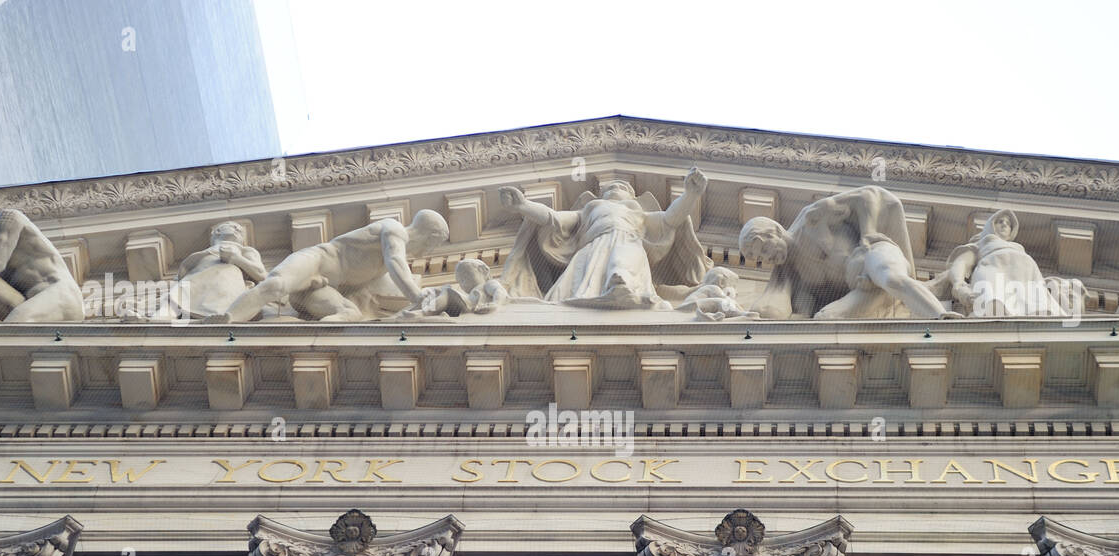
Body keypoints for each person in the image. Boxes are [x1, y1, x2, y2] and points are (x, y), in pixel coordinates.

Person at [740, 186, 959, 321]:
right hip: (865, 291)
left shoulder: (812, 220)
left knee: (891, 278)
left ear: (776, 231)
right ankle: (939, 287)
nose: (767, 259)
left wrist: (868, 232)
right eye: (761, 259)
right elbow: (798, 313)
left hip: (871, 255)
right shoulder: (794, 275)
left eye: (766, 249)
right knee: (825, 319)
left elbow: (867, 196)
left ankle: (942, 316)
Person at [498, 168, 710, 309]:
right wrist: (523, 206)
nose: (617, 188)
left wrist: (690, 194)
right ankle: (584, 298)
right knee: (578, 280)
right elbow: (552, 218)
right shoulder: (590, 210)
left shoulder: (638, 213)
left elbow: (670, 219)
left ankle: (621, 286)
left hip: (628, 241)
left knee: (623, 260)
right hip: (593, 248)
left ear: (633, 198)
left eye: (624, 187)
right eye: (610, 188)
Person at [221, 209, 449, 323]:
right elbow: (396, 263)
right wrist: (417, 295)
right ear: (431, 235)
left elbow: (382, 297)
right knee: (276, 286)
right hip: (315, 262)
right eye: (434, 244)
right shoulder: (395, 230)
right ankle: (227, 320)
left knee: (350, 313)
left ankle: (315, 344)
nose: (428, 251)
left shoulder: (383, 268)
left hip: (318, 290)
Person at [940, 209, 1087, 317]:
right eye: (999, 221)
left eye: (1008, 223)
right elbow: (960, 264)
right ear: (990, 226)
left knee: (1035, 308)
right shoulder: (981, 244)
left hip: (1027, 277)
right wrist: (959, 286)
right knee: (993, 306)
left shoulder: (1018, 249)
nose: (1004, 225)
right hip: (993, 271)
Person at [160, 220, 267, 323]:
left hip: (225, 278)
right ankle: (159, 320)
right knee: (174, 296)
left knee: (220, 300)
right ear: (217, 231)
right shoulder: (203, 253)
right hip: (195, 278)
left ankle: (218, 318)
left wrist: (236, 258)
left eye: (240, 230)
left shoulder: (245, 251)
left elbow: (261, 274)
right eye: (233, 226)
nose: (238, 230)